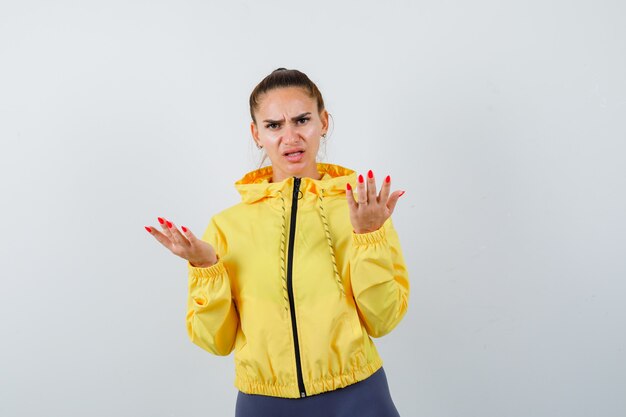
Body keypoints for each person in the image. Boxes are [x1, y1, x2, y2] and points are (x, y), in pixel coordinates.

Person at [145, 68, 410, 417]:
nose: (290, 137)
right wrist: (206, 268)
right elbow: (216, 341)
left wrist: (368, 237)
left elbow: (384, 320)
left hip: (357, 398)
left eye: (302, 120)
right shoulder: (226, 226)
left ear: (324, 121)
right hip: (263, 404)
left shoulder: (363, 211)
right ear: (256, 134)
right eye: (274, 125)